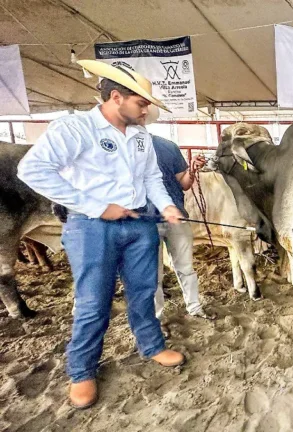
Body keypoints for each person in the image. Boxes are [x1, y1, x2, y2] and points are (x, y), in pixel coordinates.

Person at [17, 60, 185, 410]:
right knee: (93, 301)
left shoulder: (140, 136)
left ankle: (152, 346)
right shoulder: (74, 129)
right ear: (116, 97)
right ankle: (81, 371)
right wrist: (95, 205)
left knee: (145, 291)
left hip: (140, 223)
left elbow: (152, 178)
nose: (146, 110)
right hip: (91, 227)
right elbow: (32, 169)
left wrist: (166, 206)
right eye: (141, 103)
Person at [143, 106, 215, 320]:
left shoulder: (167, 146)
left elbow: (183, 183)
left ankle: (194, 307)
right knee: (152, 274)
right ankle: (157, 316)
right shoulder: (124, 149)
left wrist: (192, 170)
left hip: (176, 215)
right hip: (145, 220)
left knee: (186, 267)